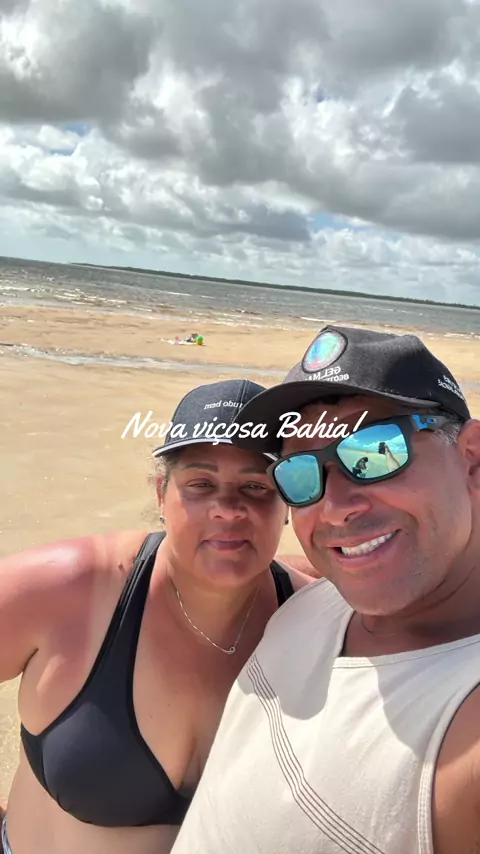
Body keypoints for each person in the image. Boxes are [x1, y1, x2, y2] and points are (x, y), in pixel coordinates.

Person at [171, 325, 480, 854]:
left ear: (472, 459)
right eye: (300, 474)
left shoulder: (462, 724)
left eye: (375, 453)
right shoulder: (318, 598)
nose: (334, 508)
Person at [0, 377, 315, 854]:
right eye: (201, 484)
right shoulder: (69, 590)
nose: (229, 510)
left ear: (286, 504)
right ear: (162, 493)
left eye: (256, 487)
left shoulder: (316, 622)